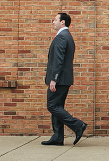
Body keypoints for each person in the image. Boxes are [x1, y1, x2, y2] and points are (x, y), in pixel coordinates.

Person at [42, 12, 87, 146]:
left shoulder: (62, 37)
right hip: (63, 79)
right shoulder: (66, 36)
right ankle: (57, 137)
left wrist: (54, 79)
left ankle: (78, 125)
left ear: (63, 22)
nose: (53, 22)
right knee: (57, 106)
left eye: (55, 19)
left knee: (52, 105)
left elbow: (58, 60)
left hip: (59, 79)